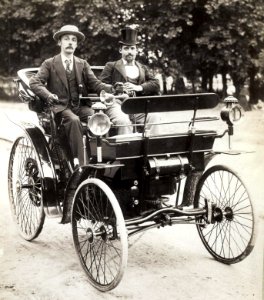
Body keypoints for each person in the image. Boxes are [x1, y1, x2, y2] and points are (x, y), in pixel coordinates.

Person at [29, 25, 113, 167]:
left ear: (76, 44)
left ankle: (103, 158)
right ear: (59, 42)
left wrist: (111, 89)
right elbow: (34, 82)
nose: (70, 42)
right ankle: (80, 164)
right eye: (66, 39)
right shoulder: (50, 63)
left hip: (79, 107)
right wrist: (48, 95)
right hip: (60, 108)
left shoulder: (82, 64)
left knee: (101, 118)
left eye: (73, 40)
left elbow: (95, 83)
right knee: (74, 121)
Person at [100, 26, 161, 135]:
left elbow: (156, 83)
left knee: (154, 117)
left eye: (132, 48)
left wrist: (139, 87)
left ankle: (150, 149)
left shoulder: (142, 68)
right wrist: (117, 90)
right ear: (120, 50)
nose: (129, 52)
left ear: (136, 50)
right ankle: (127, 150)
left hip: (137, 106)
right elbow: (101, 86)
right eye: (126, 48)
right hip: (116, 105)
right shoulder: (111, 66)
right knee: (123, 121)